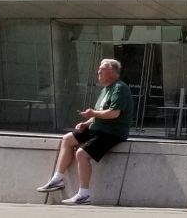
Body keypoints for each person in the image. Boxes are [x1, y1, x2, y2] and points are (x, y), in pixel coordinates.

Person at [37, 58, 134, 206]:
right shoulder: (105, 89)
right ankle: (57, 179)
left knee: (81, 154)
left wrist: (93, 113)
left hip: (112, 132)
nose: (98, 72)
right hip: (98, 128)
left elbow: (113, 113)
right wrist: (86, 123)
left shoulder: (120, 89)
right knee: (68, 139)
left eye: (101, 69)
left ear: (111, 71)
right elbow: (99, 114)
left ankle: (84, 194)